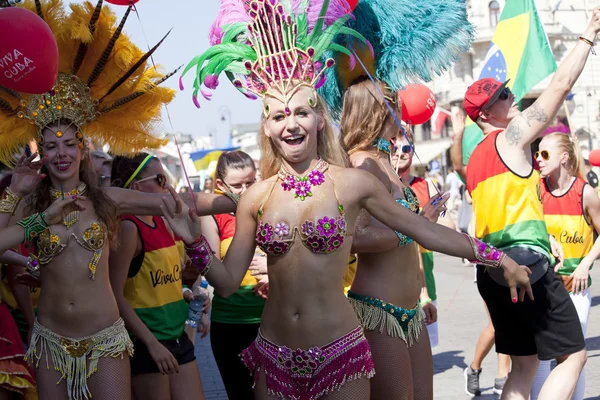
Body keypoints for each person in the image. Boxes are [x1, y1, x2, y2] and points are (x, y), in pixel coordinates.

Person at [177, 1, 532, 397]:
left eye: (301, 112)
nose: (291, 124)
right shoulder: (255, 198)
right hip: (273, 355)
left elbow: (423, 231)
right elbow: (225, 283)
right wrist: (192, 238)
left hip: (340, 352)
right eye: (279, 116)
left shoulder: (352, 185)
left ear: (318, 117)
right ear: (267, 125)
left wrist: (499, 259)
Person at [0, 2, 236, 399]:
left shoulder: (107, 198)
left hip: (106, 337)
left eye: (69, 144)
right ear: (41, 150)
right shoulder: (30, 201)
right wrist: (27, 207)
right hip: (51, 340)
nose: (61, 153)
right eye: (51, 145)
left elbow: (173, 200)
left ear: (82, 150)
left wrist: (234, 200)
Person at [460, 10, 600, 398]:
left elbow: (501, 212)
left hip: (491, 271)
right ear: (487, 114)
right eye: (504, 96)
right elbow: (560, 86)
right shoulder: (509, 138)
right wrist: (587, 36)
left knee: (523, 367)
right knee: (573, 355)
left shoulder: (475, 160)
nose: (512, 97)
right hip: (524, 267)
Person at [338, 79, 448, 399]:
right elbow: (355, 237)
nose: (399, 112)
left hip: (411, 309)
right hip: (378, 310)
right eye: (393, 106)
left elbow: (409, 233)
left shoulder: (385, 157)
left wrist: (424, 294)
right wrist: (415, 225)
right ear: (376, 112)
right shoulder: (361, 163)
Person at [109, 154, 206, 400]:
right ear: (136, 188)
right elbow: (113, 295)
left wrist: (190, 296)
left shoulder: (165, 222)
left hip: (177, 336)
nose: (169, 187)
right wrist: (151, 344)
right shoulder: (128, 228)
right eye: (161, 179)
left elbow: (168, 282)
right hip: (146, 343)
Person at [530, 133, 599, 400]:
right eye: (537, 154)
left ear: (564, 157)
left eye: (544, 154)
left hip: (575, 286)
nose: (538, 160)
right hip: (542, 284)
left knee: (572, 355)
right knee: (541, 356)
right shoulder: (536, 189)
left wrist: (585, 264)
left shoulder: (586, 192)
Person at [451, 110, 511, 396]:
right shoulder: (478, 177)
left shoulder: (513, 173)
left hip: (514, 255)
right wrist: (458, 134)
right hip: (487, 258)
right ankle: (474, 367)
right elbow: (457, 165)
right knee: (498, 323)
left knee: (510, 322)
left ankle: (503, 376)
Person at [200, 150, 267, 399]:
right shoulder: (213, 216)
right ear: (220, 185)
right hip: (230, 324)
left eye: (251, 183)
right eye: (237, 185)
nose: (245, 191)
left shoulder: (269, 209)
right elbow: (213, 266)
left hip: (271, 322)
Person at [392, 124, 456, 352]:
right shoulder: (380, 186)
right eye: (393, 147)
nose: (399, 153)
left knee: (424, 353)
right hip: (388, 280)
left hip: (424, 277)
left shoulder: (425, 186)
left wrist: (428, 217)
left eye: (406, 148)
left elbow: (450, 226)